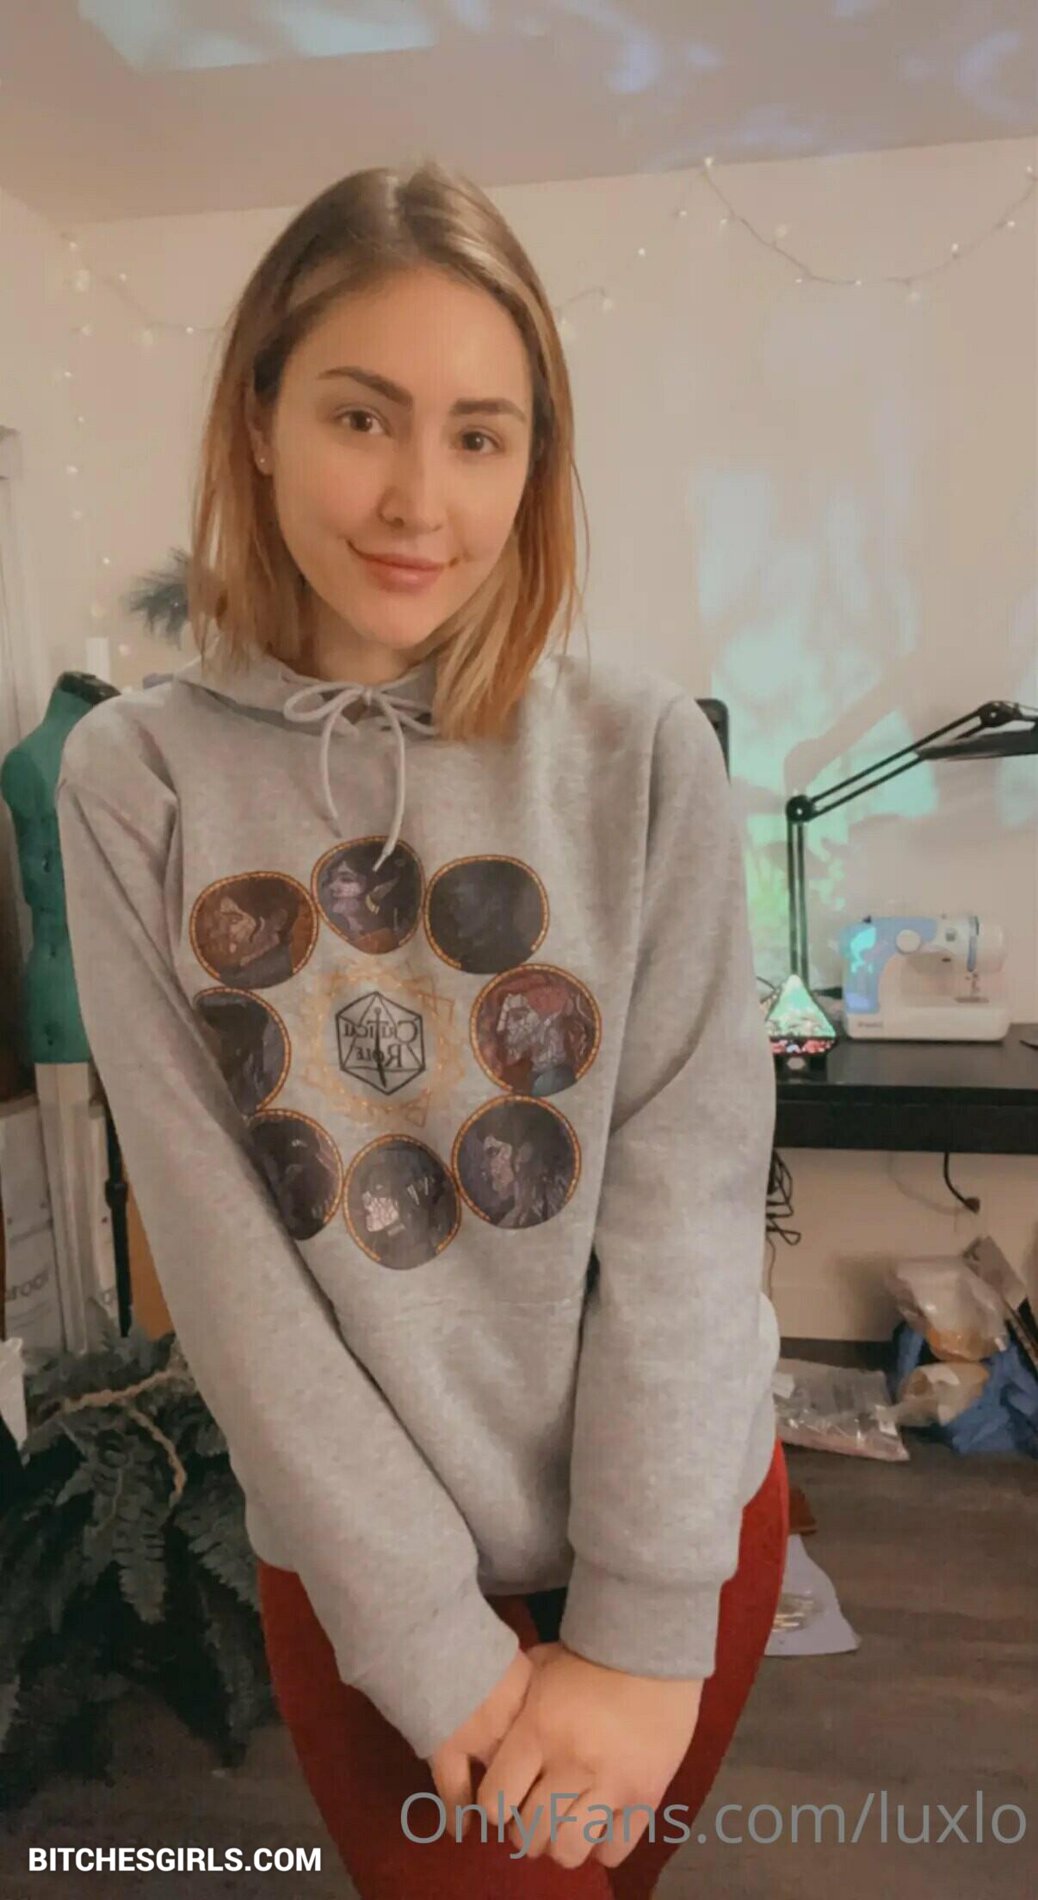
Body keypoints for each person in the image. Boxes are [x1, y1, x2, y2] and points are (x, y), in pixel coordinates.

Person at [56, 158, 789, 1897]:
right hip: (380, 1578)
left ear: (535, 463)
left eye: (479, 435)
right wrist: (430, 1640)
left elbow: (687, 1202)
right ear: (257, 421)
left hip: (673, 1527)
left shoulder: (639, 753)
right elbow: (223, 1259)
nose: (417, 499)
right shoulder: (136, 778)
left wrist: (642, 1625)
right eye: (359, 416)